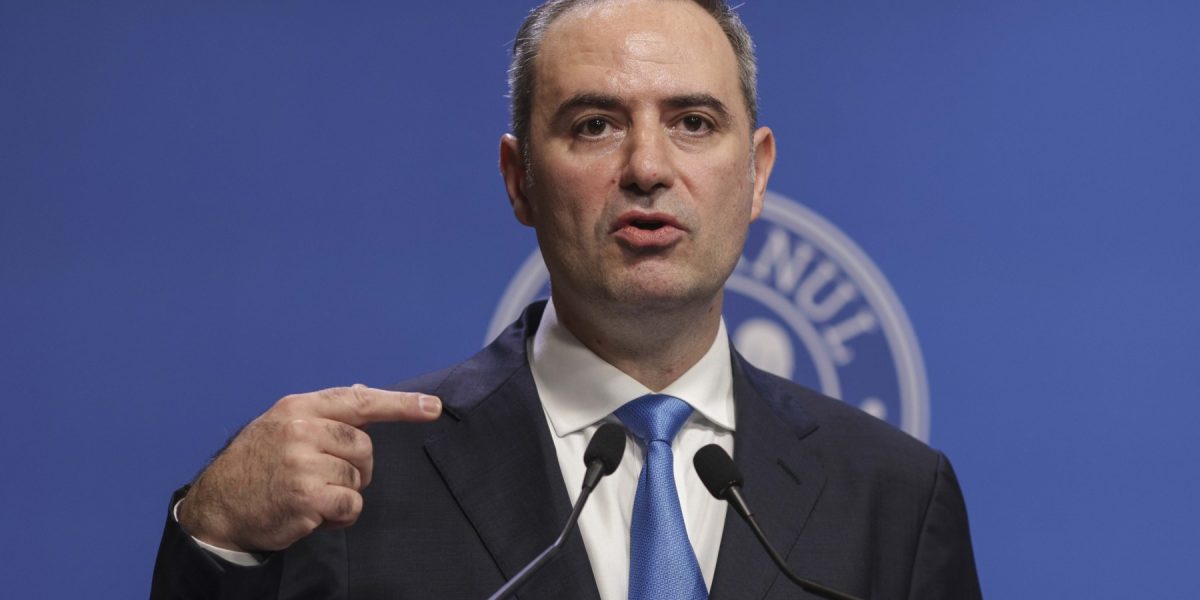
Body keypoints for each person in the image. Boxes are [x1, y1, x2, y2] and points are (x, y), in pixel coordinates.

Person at [151, 1, 982, 598]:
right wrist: (213, 534)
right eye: (595, 125)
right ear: (519, 179)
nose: (647, 167)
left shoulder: (895, 499)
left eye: (693, 122)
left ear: (756, 173)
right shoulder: (359, 487)